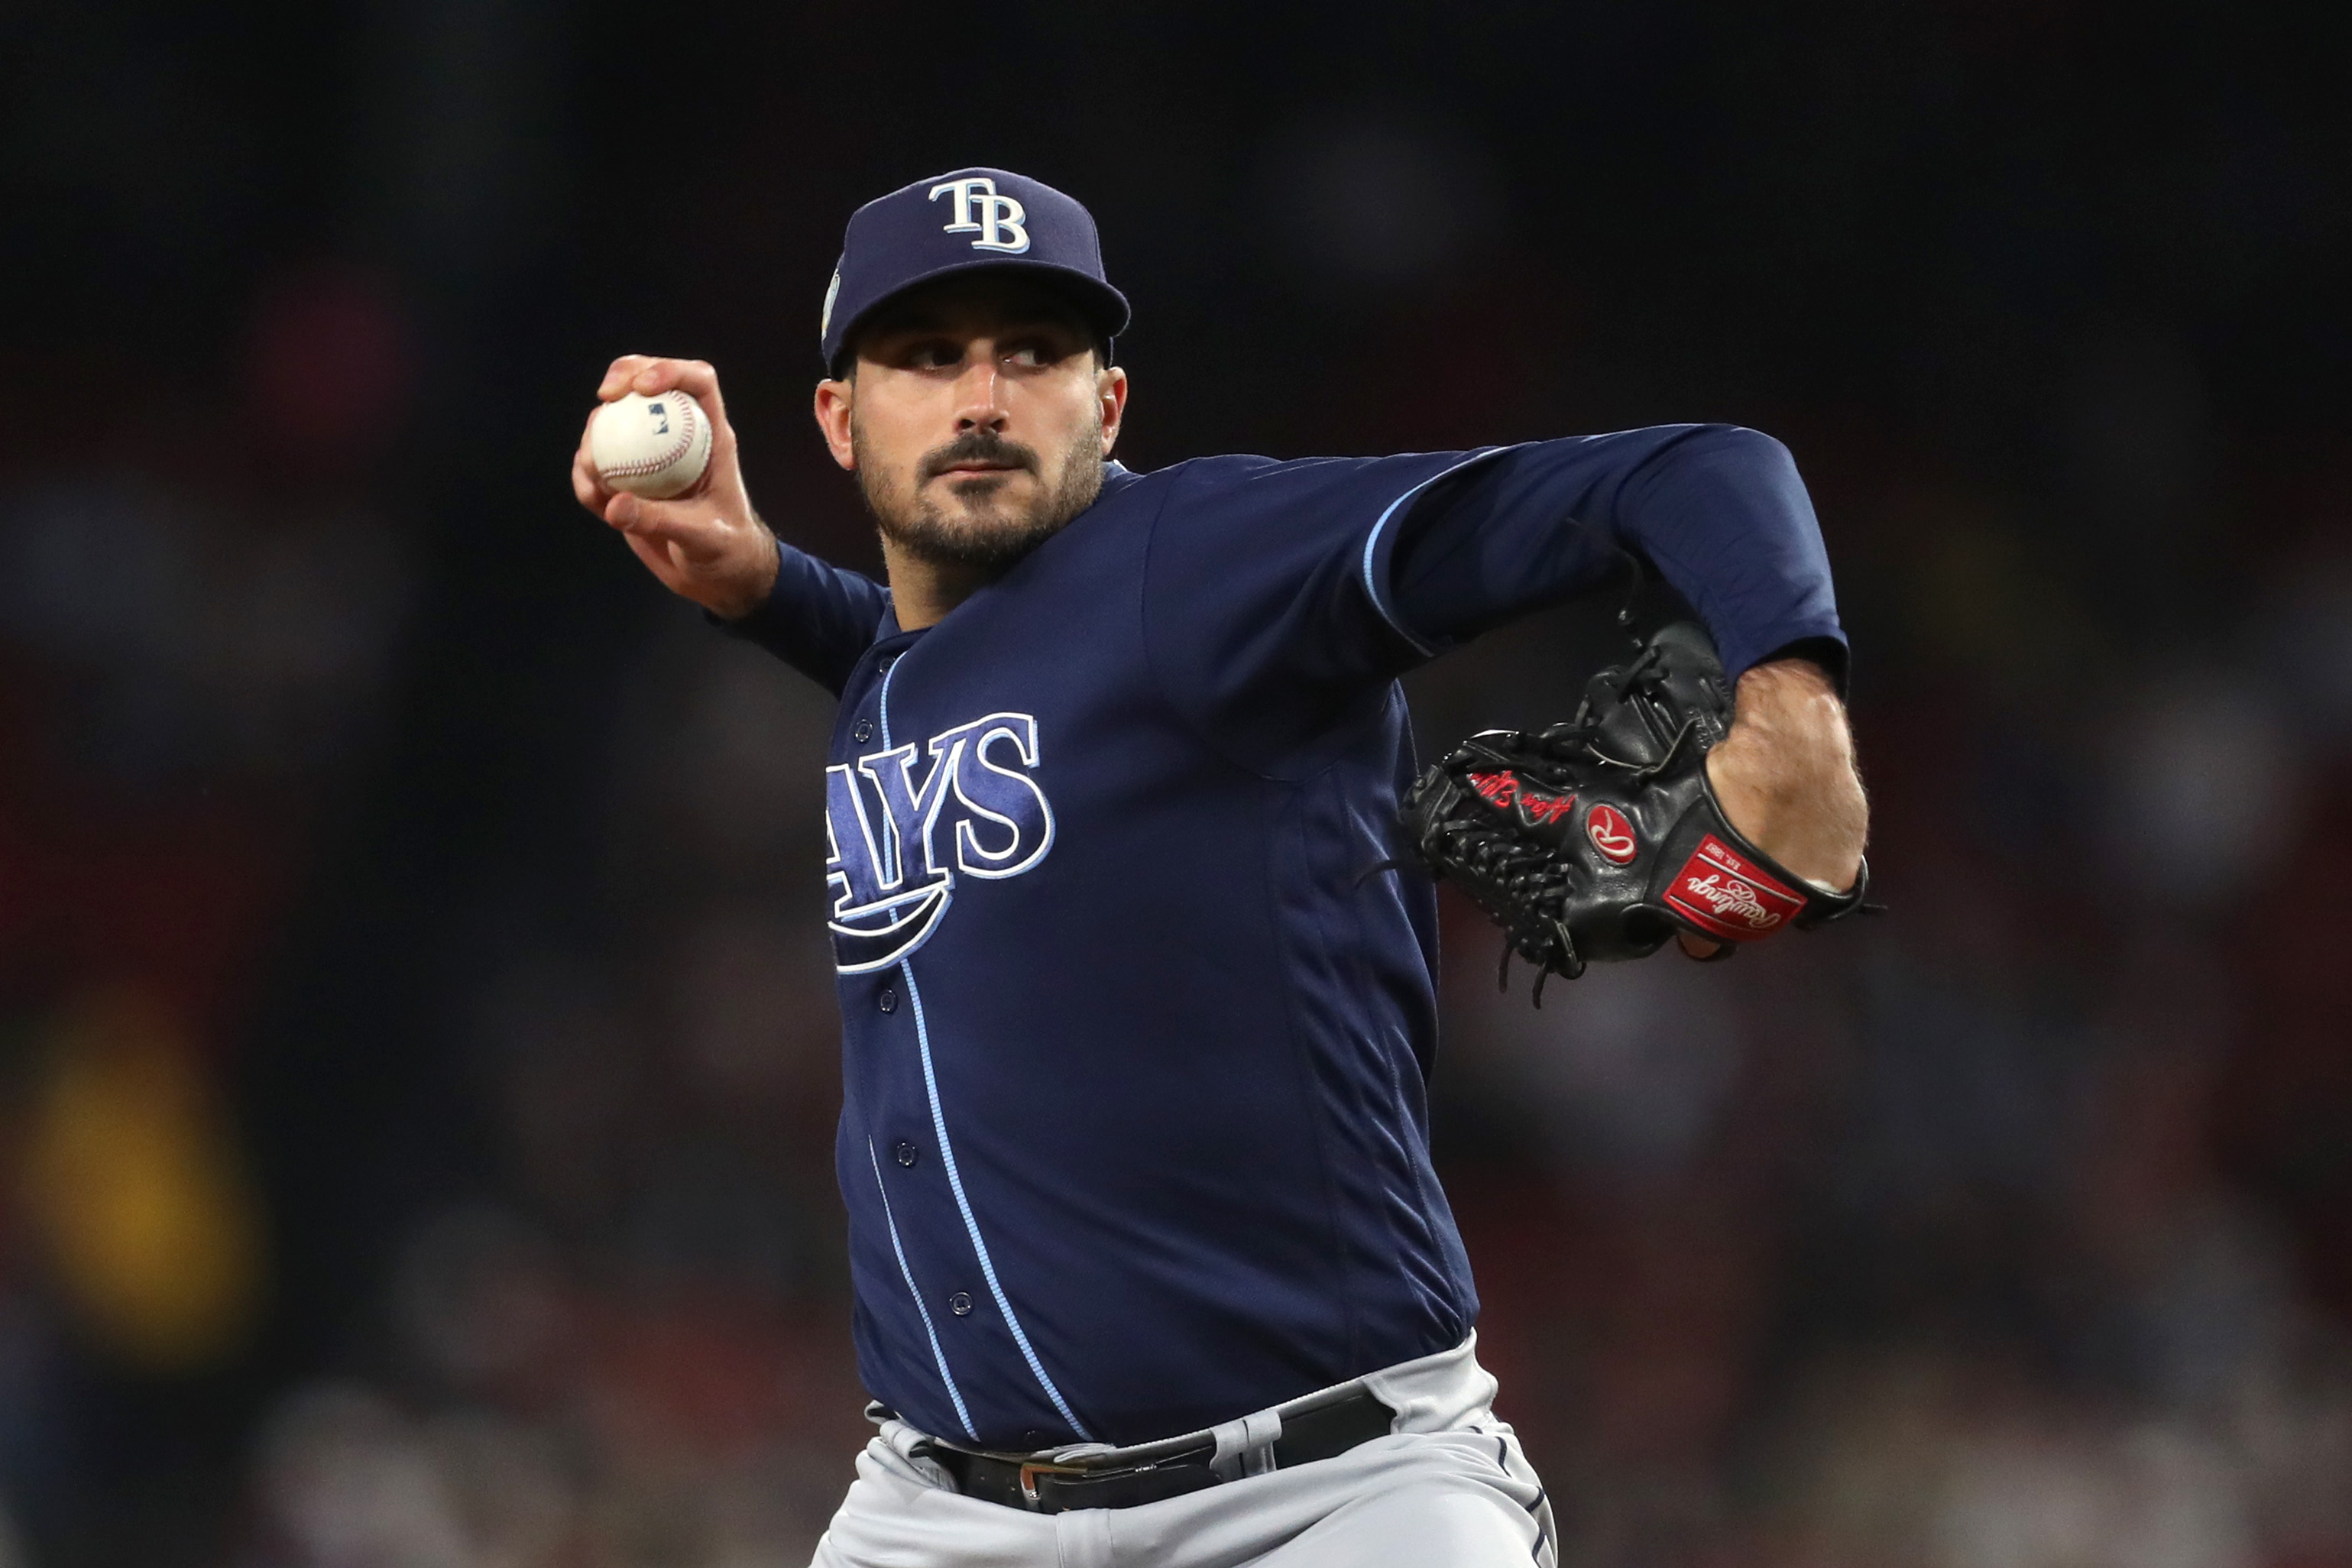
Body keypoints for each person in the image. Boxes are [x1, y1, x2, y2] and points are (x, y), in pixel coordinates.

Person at [570, 167, 1868, 1568]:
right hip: (937, 1513)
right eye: (928, 355)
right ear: (837, 418)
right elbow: (972, 672)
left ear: (1108, 404)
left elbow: (1703, 469)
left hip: (1323, 1497)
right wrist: (761, 581)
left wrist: (1789, 695)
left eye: (1034, 351)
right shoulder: (911, 658)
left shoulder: (1208, 562)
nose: (983, 397)